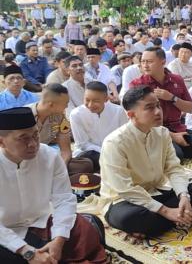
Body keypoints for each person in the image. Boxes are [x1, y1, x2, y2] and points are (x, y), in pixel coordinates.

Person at [100, 85, 192, 237]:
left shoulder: (162, 133)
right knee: (129, 218)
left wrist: (183, 197)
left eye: (158, 105)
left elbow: (174, 168)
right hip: (125, 200)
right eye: (149, 108)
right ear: (131, 114)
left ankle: (163, 222)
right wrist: (165, 211)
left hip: (155, 192)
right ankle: (182, 216)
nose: (158, 112)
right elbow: (125, 189)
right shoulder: (114, 143)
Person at [0, 107, 107, 263]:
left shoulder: (48, 155)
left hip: (42, 223)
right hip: (5, 233)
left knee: (90, 226)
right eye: (23, 138)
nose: (32, 144)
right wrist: (27, 252)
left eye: (35, 135)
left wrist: (59, 239)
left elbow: (63, 198)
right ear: (1, 141)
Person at [130, 47, 192, 160]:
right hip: (153, 131)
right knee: (177, 156)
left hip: (177, 126)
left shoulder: (176, 80)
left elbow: (190, 108)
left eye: (149, 61)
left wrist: (172, 98)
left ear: (163, 62)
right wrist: (173, 137)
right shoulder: (138, 84)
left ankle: (168, 150)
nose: (145, 65)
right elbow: (139, 120)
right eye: (143, 61)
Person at [27, 83, 94, 175]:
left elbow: (65, 151)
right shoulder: (25, 115)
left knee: (86, 165)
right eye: (65, 104)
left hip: (45, 157)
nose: (67, 107)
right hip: (24, 159)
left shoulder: (61, 117)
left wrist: (62, 169)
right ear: (51, 105)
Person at [70, 82, 128, 172]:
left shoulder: (119, 112)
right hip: (90, 153)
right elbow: (82, 144)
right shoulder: (76, 114)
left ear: (106, 99)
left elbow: (124, 137)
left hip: (115, 152)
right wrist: (105, 152)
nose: (90, 105)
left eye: (96, 101)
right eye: (87, 100)